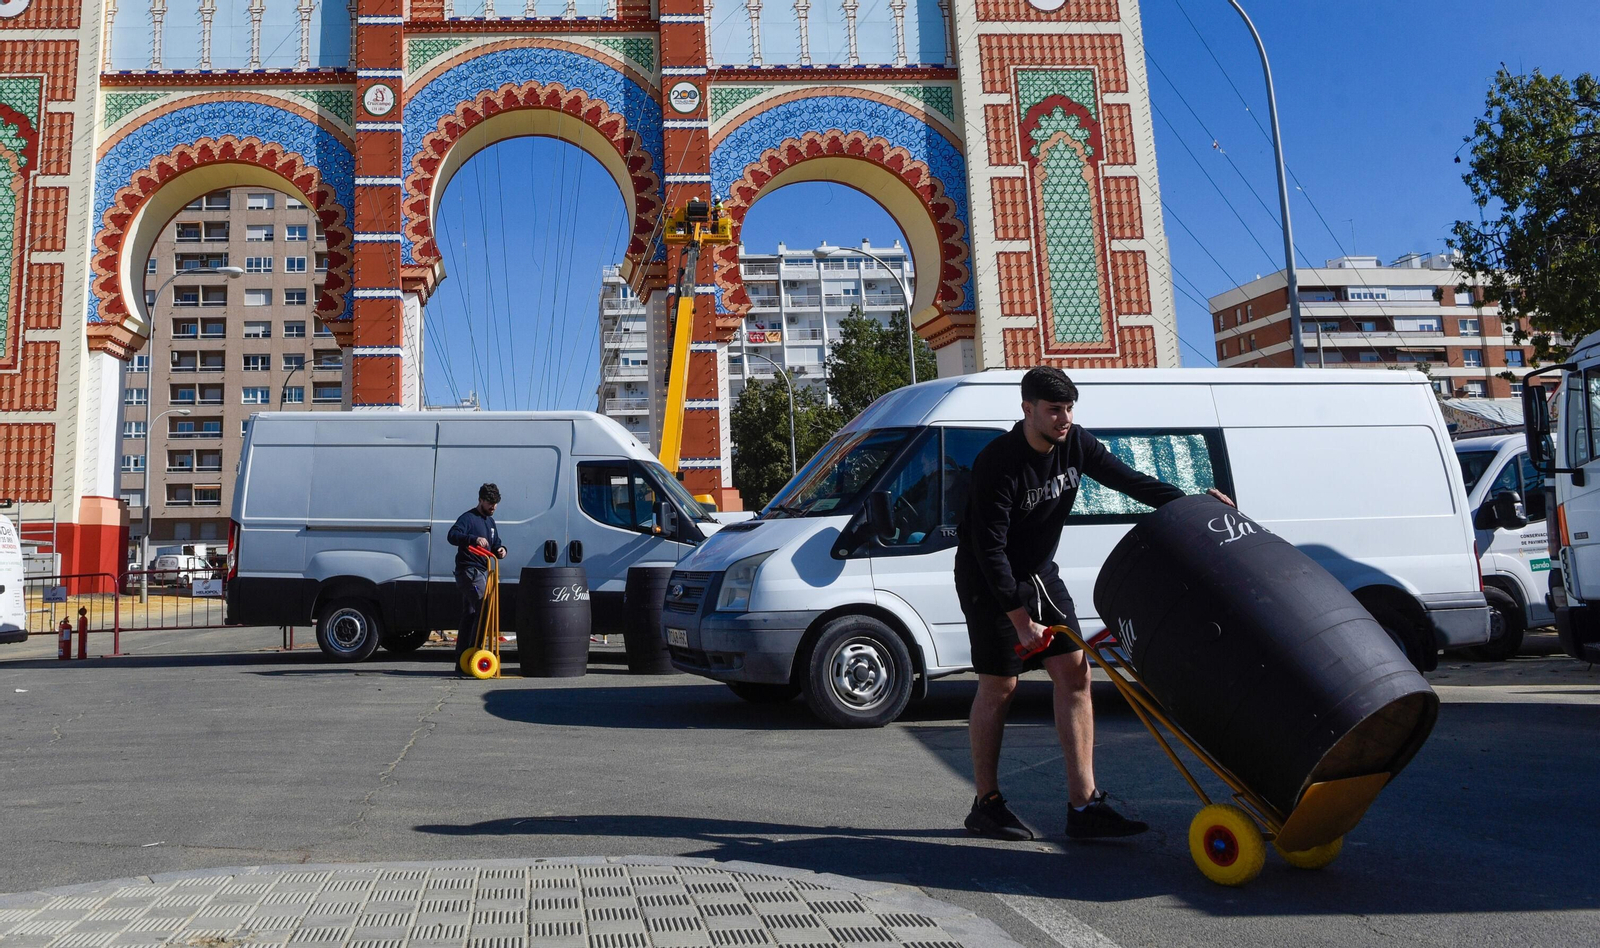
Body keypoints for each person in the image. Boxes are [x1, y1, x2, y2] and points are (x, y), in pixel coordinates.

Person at [955, 367, 1234, 841]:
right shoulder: (998, 463)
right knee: (1000, 686)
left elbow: (1129, 481)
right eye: (1053, 410)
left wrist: (1192, 504)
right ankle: (986, 802)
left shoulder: (1076, 443)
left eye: (1068, 409)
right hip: (989, 581)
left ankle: (1083, 807)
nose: (1064, 418)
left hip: (1040, 572)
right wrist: (1021, 623)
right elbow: (990, 551)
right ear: (1027, 409)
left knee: (1076, 674)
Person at [448, 483, 507, 675]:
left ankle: (462, 659)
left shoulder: (490, 522)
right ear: (480, 500)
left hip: (484, 570)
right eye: (490, 503)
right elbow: (453, 535)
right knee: (485, 608)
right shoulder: (468, 518)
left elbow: (495, 542)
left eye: (496, 504)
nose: (493, 507)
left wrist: (501, 550)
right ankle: (476, 652)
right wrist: (472, 539)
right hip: (469, 571)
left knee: (471, 613)